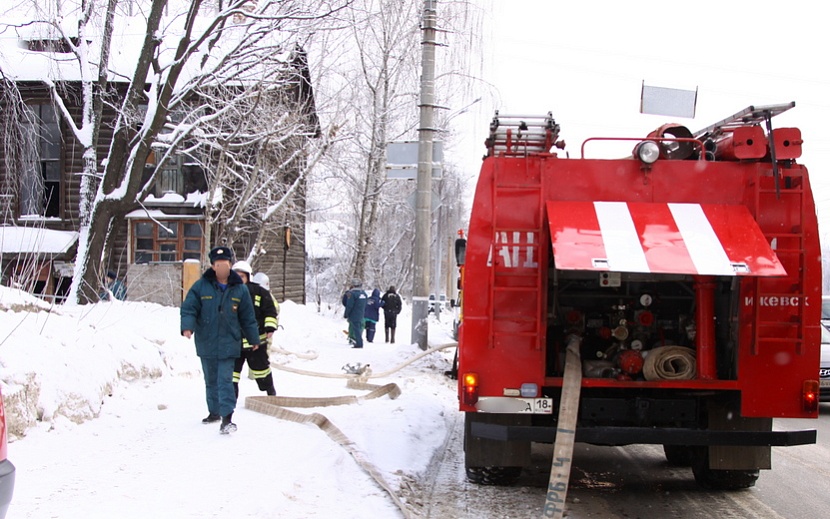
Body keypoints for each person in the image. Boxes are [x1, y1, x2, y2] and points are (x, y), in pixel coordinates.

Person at [181, 246, 260, 434]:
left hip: (229, 342)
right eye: (218, 265)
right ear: (213, 266)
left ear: (230, 265)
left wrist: (253, 338)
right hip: (206, 341)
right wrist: (187, 327)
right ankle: (214, 412)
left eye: (225, 264)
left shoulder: (240, 289)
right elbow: (189, 308)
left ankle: (227, 418)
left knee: (225, 380)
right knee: (211, 380)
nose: (222, 268)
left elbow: (247, 316)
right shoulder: (201, 286)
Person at [231, 261, 278, 397]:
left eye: (242, 276)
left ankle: (270, 393)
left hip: (256, 343)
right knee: (230, 375)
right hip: (234, 343)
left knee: (261, 371)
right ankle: (230, 402)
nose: (239, 279)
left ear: (248, 277)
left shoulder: (260, 292)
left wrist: (270, 328)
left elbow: (270, 311)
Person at [342, 279, 368, 348]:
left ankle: (359, 343)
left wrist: (346, 314)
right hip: (361, 314)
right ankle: (359, 342)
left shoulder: (352, 294)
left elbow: (349, 305)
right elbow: (366, 304)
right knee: (359, 328)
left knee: (356, 329)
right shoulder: (364, 294)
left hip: (354, 314)